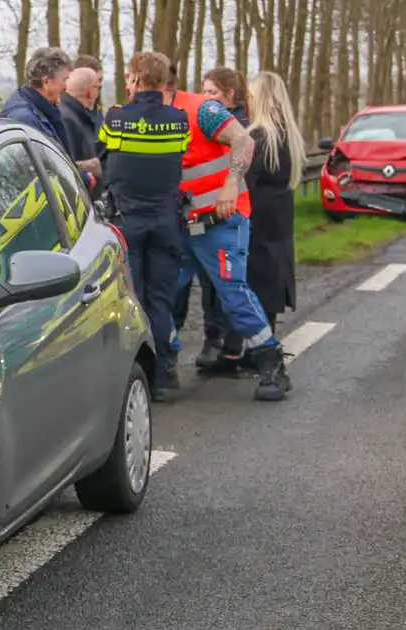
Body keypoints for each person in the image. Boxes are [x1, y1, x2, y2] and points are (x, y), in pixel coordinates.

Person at [166, 63, 289, 402]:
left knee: (232, 292)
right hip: (186, 223)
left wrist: (231, 185)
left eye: (137, 82)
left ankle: (271, 362)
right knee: (161, 289)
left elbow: (244, 142)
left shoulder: (201, 110)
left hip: (221, 218)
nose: (132, 88)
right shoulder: (149, 116)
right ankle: (162, 361)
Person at [97, 51, 190, 401]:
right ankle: (165, 375)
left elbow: (107, 156)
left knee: (130, 301)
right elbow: (177, 157)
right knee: (161, 300)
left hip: (128, 223)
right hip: (166, 221)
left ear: (136, 80)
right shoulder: (178, 120)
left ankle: (138, 377)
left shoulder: (116, 118)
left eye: (128, 77)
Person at [172, 66, 251, 372]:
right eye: (204, 92)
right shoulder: (201, 118)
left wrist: (230, 185)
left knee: (223, 286)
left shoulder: (231, 123)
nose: (207, 99)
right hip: (195, 217)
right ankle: (209, 340)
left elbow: (243, 150)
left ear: (229, 95)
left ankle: (230, 345)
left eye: (213, 93)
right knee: (192, 286)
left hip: (223, 216)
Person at [243, 71, 303, 391]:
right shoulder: (287, 137)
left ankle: (265, 352)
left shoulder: (257, 139)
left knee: (254, 288)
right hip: (279, 222)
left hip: (257, 221)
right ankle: (259, 348)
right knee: (269, 286)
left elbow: (244, 183)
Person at [0, 47, 98, 191]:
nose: (66, 86)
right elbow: (44, 171)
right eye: (64, 80)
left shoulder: (43, 109)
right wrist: (82, 179)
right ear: (46, 82)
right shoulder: (24, 119)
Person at [58, 68, 104, 196]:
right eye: (98, 88)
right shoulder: (66, 119)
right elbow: (62, 164)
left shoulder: (73, 115)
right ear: (91, 92)